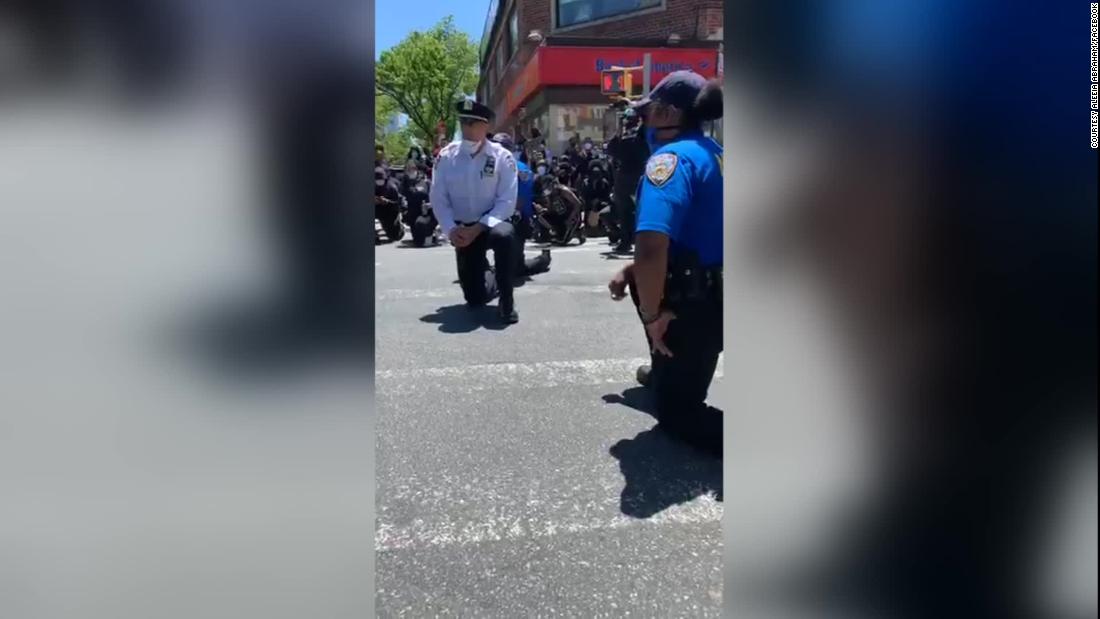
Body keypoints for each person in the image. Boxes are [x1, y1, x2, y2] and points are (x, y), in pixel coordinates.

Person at [607, 70, 724, 458]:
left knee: (677, 414)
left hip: (696, 305)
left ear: (668, 113)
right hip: (723, 292)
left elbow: (651, 246)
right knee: (641, 278)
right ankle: (666, 369)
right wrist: (633, 272)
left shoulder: (670, 161)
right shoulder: (717, 154)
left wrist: (654, 314)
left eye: (648, 113)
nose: (643, 122)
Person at [429, 99, 522, 324]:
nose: (467, 129)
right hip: (463, 228)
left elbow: (507, 201)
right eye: (464, 123)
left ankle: (507, 303)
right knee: (474, 298)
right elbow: (438, 198)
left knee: (505, 236)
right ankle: (487, 276)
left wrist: (480, 227)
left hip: (491, 224)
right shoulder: (446, 157)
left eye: (473, 124)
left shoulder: (502, 157)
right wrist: (451, 230)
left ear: (486, 127)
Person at [492, 133, 552, 277]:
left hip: (516, 221)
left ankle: (542, 260)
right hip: (489, 219)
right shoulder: (484, 166)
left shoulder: (521, 169)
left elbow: (521, 199)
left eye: (501, 147)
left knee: (516, 270)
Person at [606, 106, 650, 253]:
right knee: (629, 211)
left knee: (633, 211)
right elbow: (611, 150)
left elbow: (611, 150)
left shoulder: (639, 135)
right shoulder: (633, 136)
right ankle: (628, 241)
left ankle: (630, 241)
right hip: (631, 176)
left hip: (633, 175)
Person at [399, 159, 438, 246]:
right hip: (413, 214)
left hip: (428, 214)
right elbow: (401, 199)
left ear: (417, 169)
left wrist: (429, 206)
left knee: (421, 223)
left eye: (413, 168)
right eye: (408, 169)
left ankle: (432, 232)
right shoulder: (404, 184)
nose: (410, 170)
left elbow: (437, 199)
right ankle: (425, 236)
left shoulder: (426, 182)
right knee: (418, 242)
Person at [374, 163, 405, 243]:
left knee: (395, 236)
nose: (379, 182)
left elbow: (398, 202)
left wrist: (387, 201)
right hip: (376, 209)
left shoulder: (391, 187)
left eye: (381, 180)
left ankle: (398, 226)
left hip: (389, 211)